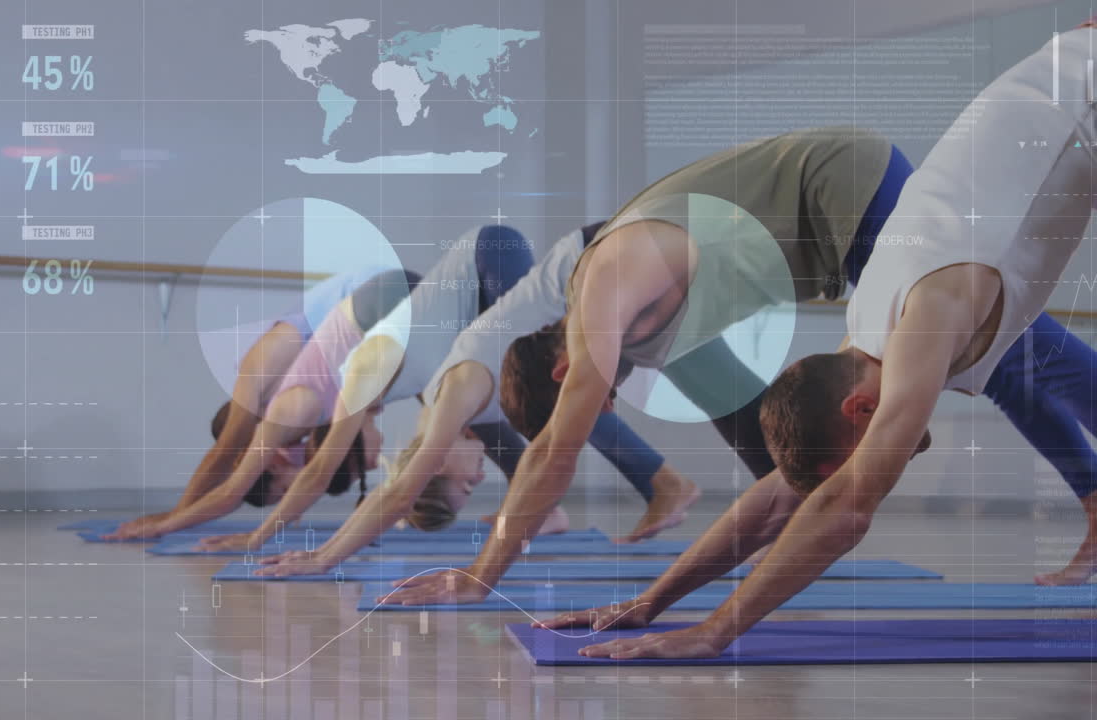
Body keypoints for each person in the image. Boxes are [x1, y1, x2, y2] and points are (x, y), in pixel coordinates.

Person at [536, 27, 1097, 660]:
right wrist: (651, 603)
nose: (869, 469)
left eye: (851, 458)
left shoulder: (921, 322)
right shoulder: (872, 329)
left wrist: (714, 632)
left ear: (857, 409)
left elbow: (846, 509)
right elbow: (778, 502)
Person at [377, 125, 912, 606]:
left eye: (600, 401)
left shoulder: (605, 297)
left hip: (847, 185)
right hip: (839, 224)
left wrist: (479, 578)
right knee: (841, 432)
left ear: (566, 374)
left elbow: (552, 454)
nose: (610, 406)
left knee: (914, 398)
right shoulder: (644, 333)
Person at [248, 224, 703, 577]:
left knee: (560, 399)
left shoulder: (434, 391)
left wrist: (317, 555)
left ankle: (661, 479)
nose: (477, 479)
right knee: (548, 405)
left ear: (438, 462)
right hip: (558, 272)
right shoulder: (457, 399)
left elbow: (392, 491)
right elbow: (411, 487)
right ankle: (629, 491)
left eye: (467, 486)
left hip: (500, 255)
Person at [192, 225, 565, 553]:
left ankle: (545, 505)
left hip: (415, 286)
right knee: (534, 394)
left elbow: (317, 473)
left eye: (467, 484)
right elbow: (361, 483)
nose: (481, 478)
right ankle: (544, 505)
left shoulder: (292, 399)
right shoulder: (430, 388)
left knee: (555, 392)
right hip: (414, 306)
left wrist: (175, 522)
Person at [107, 268, 417, 539]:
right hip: (382, 305)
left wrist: (172, 518)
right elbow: (260, 478)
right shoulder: (294, 422)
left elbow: (226, 462)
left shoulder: (260, 380)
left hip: (379, 292)